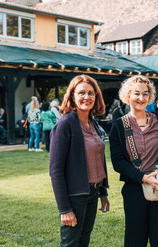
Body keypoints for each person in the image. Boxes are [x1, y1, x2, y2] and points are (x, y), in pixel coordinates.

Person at [109, 75, 158, 247]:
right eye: (136, 93)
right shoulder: (118, 126)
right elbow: (118, 162)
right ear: (128, 95)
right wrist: (143, 177)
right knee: (135, 241)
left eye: (146, 94)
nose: (141, 98)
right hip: (135, 190)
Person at [50, 74, 110, 246]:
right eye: (81, 93)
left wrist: (103, 193)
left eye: (91, 93)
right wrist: (64, 209)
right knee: (70, 243)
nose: (87, 97)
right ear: (72, 96)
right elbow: (56, 171)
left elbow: (99, 158)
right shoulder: (65, 124)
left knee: (84, 241)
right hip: (75, 195)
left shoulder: (93, 123)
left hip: (93, 192)